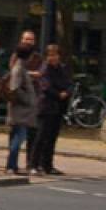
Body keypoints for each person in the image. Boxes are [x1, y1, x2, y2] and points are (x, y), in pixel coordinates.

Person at [29, 44, 71, 175]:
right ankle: (34, 164)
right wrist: (59, 94)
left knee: (52, 138)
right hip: (46, 106)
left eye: (55, 55)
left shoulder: (62, 68)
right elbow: (45, 86)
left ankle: (48, 165)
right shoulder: (45, 69)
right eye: (50, 55)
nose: (53, 58)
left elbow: (69, 83)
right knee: (41, 137)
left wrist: (67, 92)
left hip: (58, 107)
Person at [5, 38, 38, 174]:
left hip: (21, 110)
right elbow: (15, 88)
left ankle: (12, 165)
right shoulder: (19, 69)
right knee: (19, 137)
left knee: (17, 137)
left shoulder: (21, 68)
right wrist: (27, 100)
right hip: (20, 111)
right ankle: (10, 165)